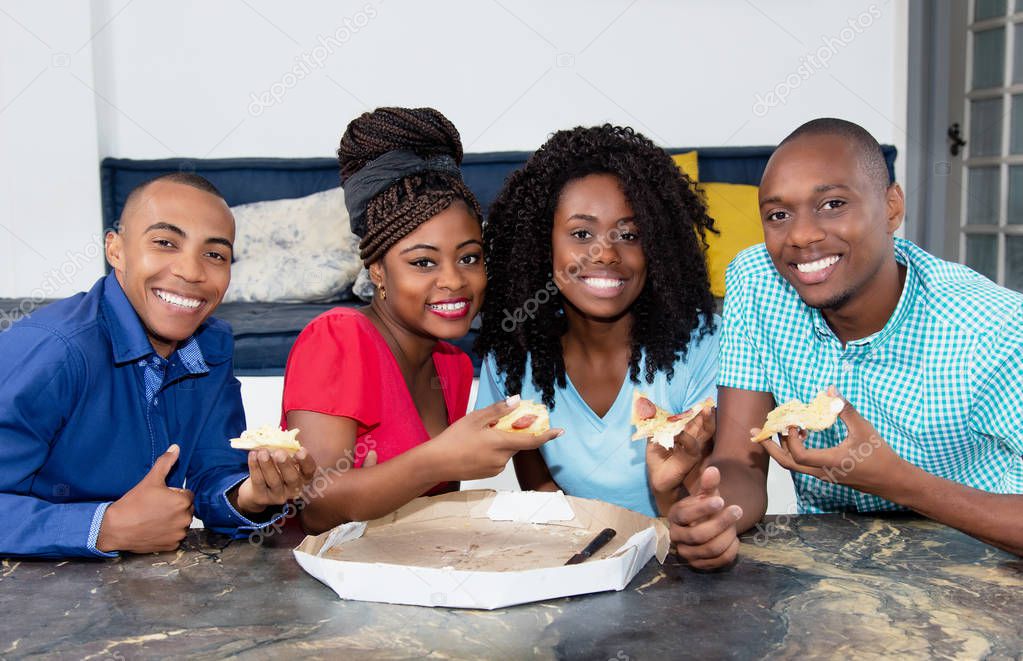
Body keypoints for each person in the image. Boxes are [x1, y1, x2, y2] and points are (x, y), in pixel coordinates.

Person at [670, 118, 1023, 569]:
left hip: (986, 572)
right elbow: (740, 459)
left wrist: (896, 481)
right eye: (778, 215)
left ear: (892, 207)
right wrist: (717, 514)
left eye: (832, 204)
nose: (801, 235)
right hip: (837, 576)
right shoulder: (757, 281)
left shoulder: (992, 326)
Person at [0, 173, 316, 559]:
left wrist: (250, 495)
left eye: (214, 254)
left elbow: (212, 470)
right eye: (165, 243)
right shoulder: (54, 352)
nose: (191, 271)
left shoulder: (209, 345)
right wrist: (103, 527)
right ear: (115, 250)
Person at [282, 107, 561, 534]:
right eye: (423, 262)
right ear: (377, 270)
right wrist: (439, 458)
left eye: (469, 257)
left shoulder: (450, 363)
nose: (454, 280)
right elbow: (316, 508)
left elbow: (430, 517)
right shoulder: (338, 338)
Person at [474, 125, 719, 517]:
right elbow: (540, 485)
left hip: (680, 549)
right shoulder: (514, 350)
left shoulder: (704, 345)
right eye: (582, 233)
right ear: (543, 242)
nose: (605, 254)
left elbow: (701, 505)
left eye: (630, 234)